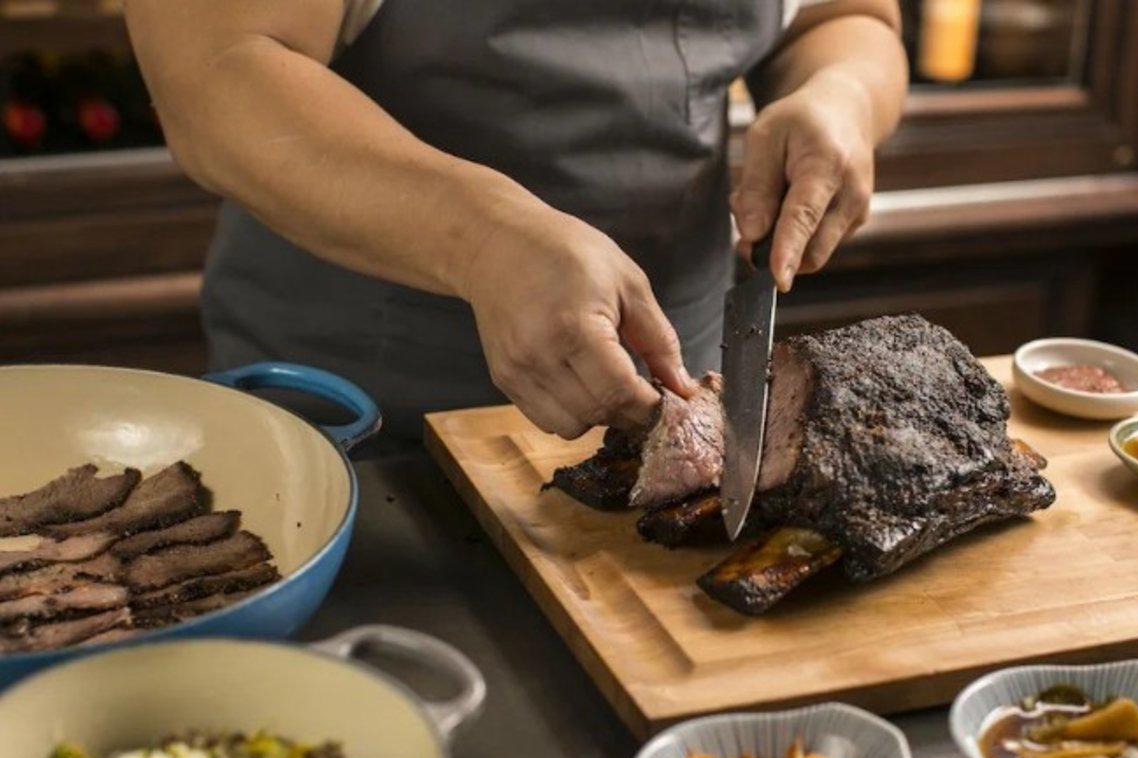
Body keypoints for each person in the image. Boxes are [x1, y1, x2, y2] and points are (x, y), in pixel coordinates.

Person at [126, 0, 907, 440]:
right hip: (367, 425)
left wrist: (841, 94)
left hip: (684, 387)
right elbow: (216, 76)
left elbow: (843, 18)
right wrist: (484, 238)